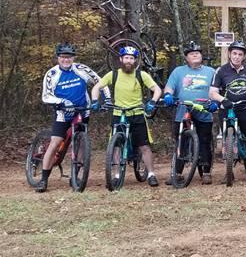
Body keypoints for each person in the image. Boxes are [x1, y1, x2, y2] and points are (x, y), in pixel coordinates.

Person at [90, 46, 163, 186]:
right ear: (121, 59)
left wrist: (152, 102)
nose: (128, 61)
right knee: (116, 146)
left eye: (131, 58)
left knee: (144, 146)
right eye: (126, 58)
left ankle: (151, 174)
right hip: (118, 113)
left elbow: (157, 89)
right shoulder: (113, 74)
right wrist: (94, 100)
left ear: (135, 60)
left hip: (136, 113)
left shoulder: (141, 75)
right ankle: (117, 175)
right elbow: (97, 87)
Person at [37, 43, 105, 193]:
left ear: (73, 58)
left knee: (81, 142)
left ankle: (76, 174)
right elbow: (46, 96)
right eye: (62, 57)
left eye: (69, 57)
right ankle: (43, 179)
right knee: (55, 142)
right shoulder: (52, 74)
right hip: (63, 112)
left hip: (83, 110)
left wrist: (105, 99)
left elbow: (101, 82)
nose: (66, 60)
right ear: (58, 58)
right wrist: (61, 102)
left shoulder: (81, 69)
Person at [209, 40, 246, 183]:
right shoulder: (221, 71)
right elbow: (212, 92)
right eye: (234, 53)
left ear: (244, 56)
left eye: (240, 54)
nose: (236, 56)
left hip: (244, 108)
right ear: (229, 54)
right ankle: (228, 172)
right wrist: (223, 100)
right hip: (227, 109)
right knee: (228, 140)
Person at [163, 41, 217, 185]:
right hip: (183, 109)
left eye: (197, 53)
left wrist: (215, 102)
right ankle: (178, 173)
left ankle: (206, 172)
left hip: (204, 109)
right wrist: (168, 95)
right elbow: (169, 87)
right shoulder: (178, 71)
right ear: (186, 58)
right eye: (191, 53)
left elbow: (217, 90)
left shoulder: (210, 72)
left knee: (204, 141)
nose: (195, 55)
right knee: (181, 141)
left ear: (202, 56)